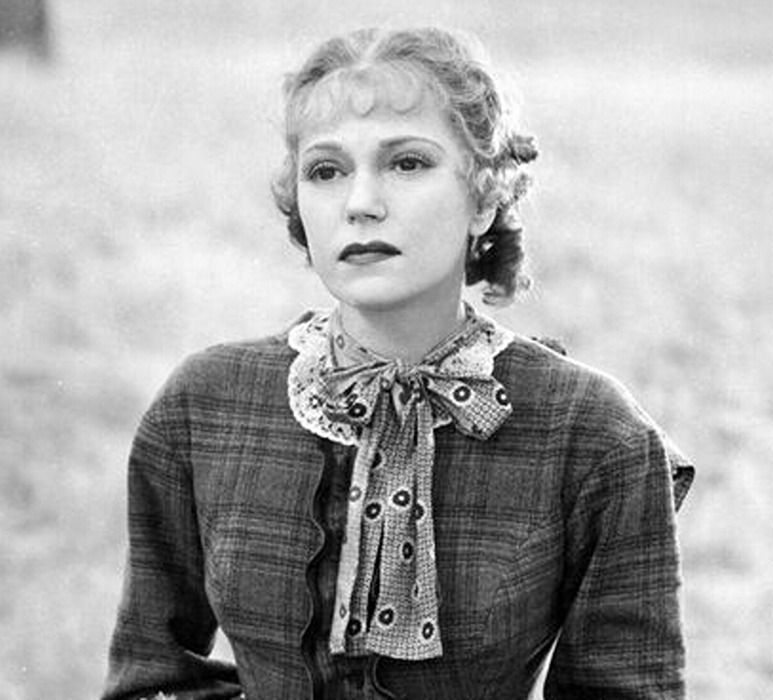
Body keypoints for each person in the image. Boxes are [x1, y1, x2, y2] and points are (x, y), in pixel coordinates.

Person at [101, 26, 695, 700]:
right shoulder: (203, 405)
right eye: (326, 171)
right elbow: (151, 680)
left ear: (485, 197)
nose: (361, 203)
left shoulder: (596, 436)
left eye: (407, 163)